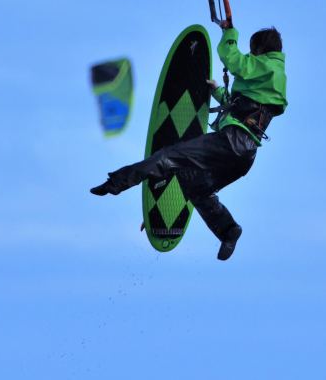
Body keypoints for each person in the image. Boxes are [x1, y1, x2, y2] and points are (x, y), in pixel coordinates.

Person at [90, 18, 288, 260]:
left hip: (231, 143)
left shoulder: (269, 68)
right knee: (196, 187)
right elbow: (242, 104)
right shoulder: (270, 79)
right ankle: (229, 230)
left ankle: (116, 183)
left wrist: (229, 33)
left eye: (252, 50)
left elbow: (232, 59)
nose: (250, 54)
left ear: (259, 50)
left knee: (169, 156)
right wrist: (216, 90)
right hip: (244, 156)